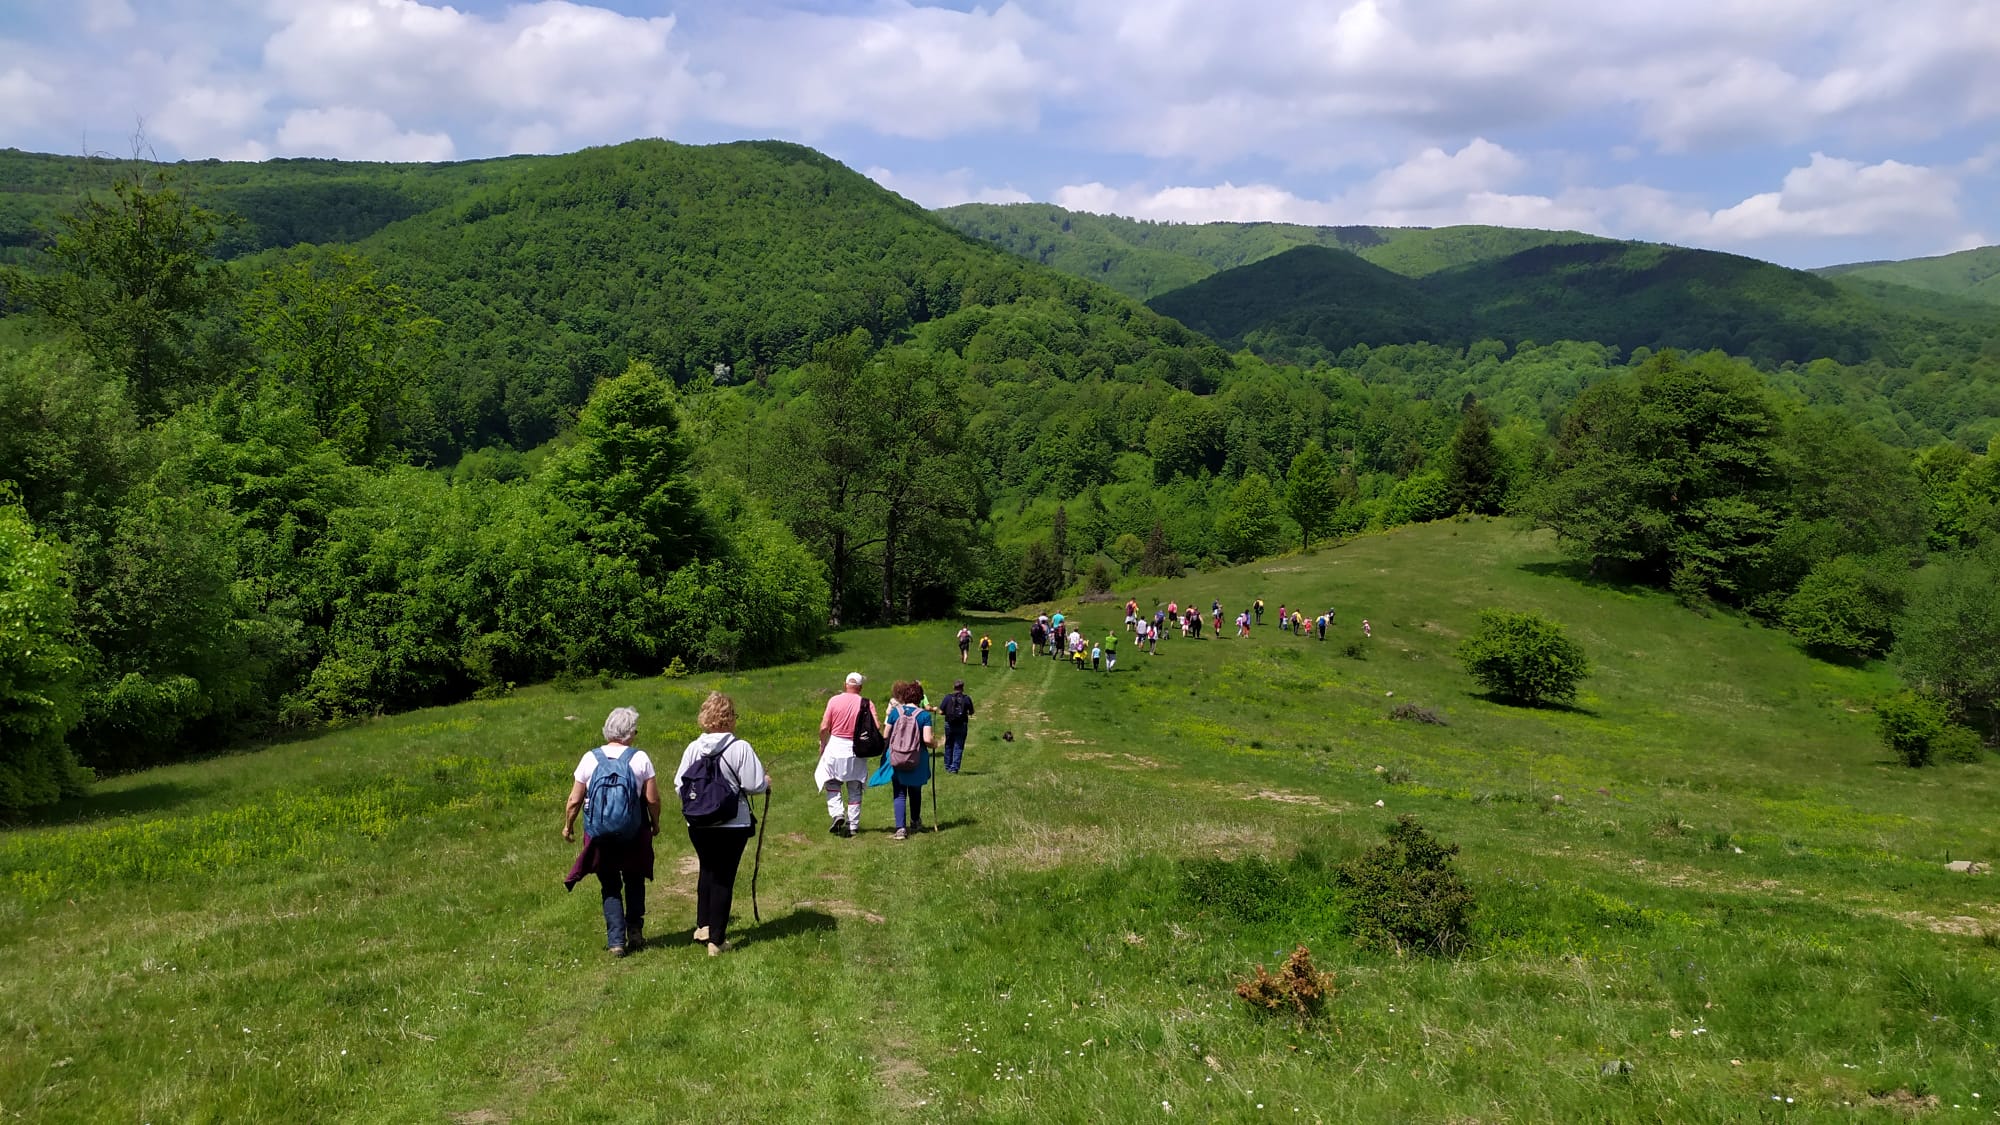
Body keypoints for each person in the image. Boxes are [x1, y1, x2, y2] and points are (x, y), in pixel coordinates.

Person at [672, 692, 770, 956]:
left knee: (707, 870)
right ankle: (717, 940)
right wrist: (766, 783)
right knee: (724, 877)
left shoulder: (693, 748)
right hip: (732, 822)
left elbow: (679, 784)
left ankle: (703, 926)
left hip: (699, 823)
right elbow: (753, 784)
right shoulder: (740, 748)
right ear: (730, 718)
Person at [563, 707, 660, 957]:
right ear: (629, 733)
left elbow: (574, 800)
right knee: (635, 878)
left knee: (609, 884)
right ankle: (635, 931)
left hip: (599, 833)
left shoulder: (590, 758)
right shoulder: (640, 758)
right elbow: (652, 799)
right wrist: (655, 822)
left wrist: (568, 825)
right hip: (634, 831)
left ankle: (616, 941)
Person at [873, 681, 934, 840]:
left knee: (899, 792)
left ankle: (900, 829)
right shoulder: (924, 715)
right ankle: (915, 821)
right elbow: (927, 739)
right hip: (917, 757)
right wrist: (935, 744)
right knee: (915, 790)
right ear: (920, 697)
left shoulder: (895, 713)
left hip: (897, 756)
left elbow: (886, 735)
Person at [818, 672, 875, 837]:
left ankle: (837, 813)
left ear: (845, 685)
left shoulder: (834, 701)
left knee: (832, 782)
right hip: (856, 749)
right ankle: (853, 825)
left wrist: (823, 744)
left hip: (835, 747)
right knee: (854, 787)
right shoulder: (866, 703)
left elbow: (823, 728)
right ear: (860, 687)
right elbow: (875, 726)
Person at [939, 679, 974, 774]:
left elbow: (941, 711)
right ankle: (954, 768)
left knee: (948, 745)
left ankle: (947, 766)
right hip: (962, 724)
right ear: (962, 688)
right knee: (958, 746)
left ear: (953, 687)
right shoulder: (966, 698)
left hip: (949, 724)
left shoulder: (947, 698)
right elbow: (971, 711)